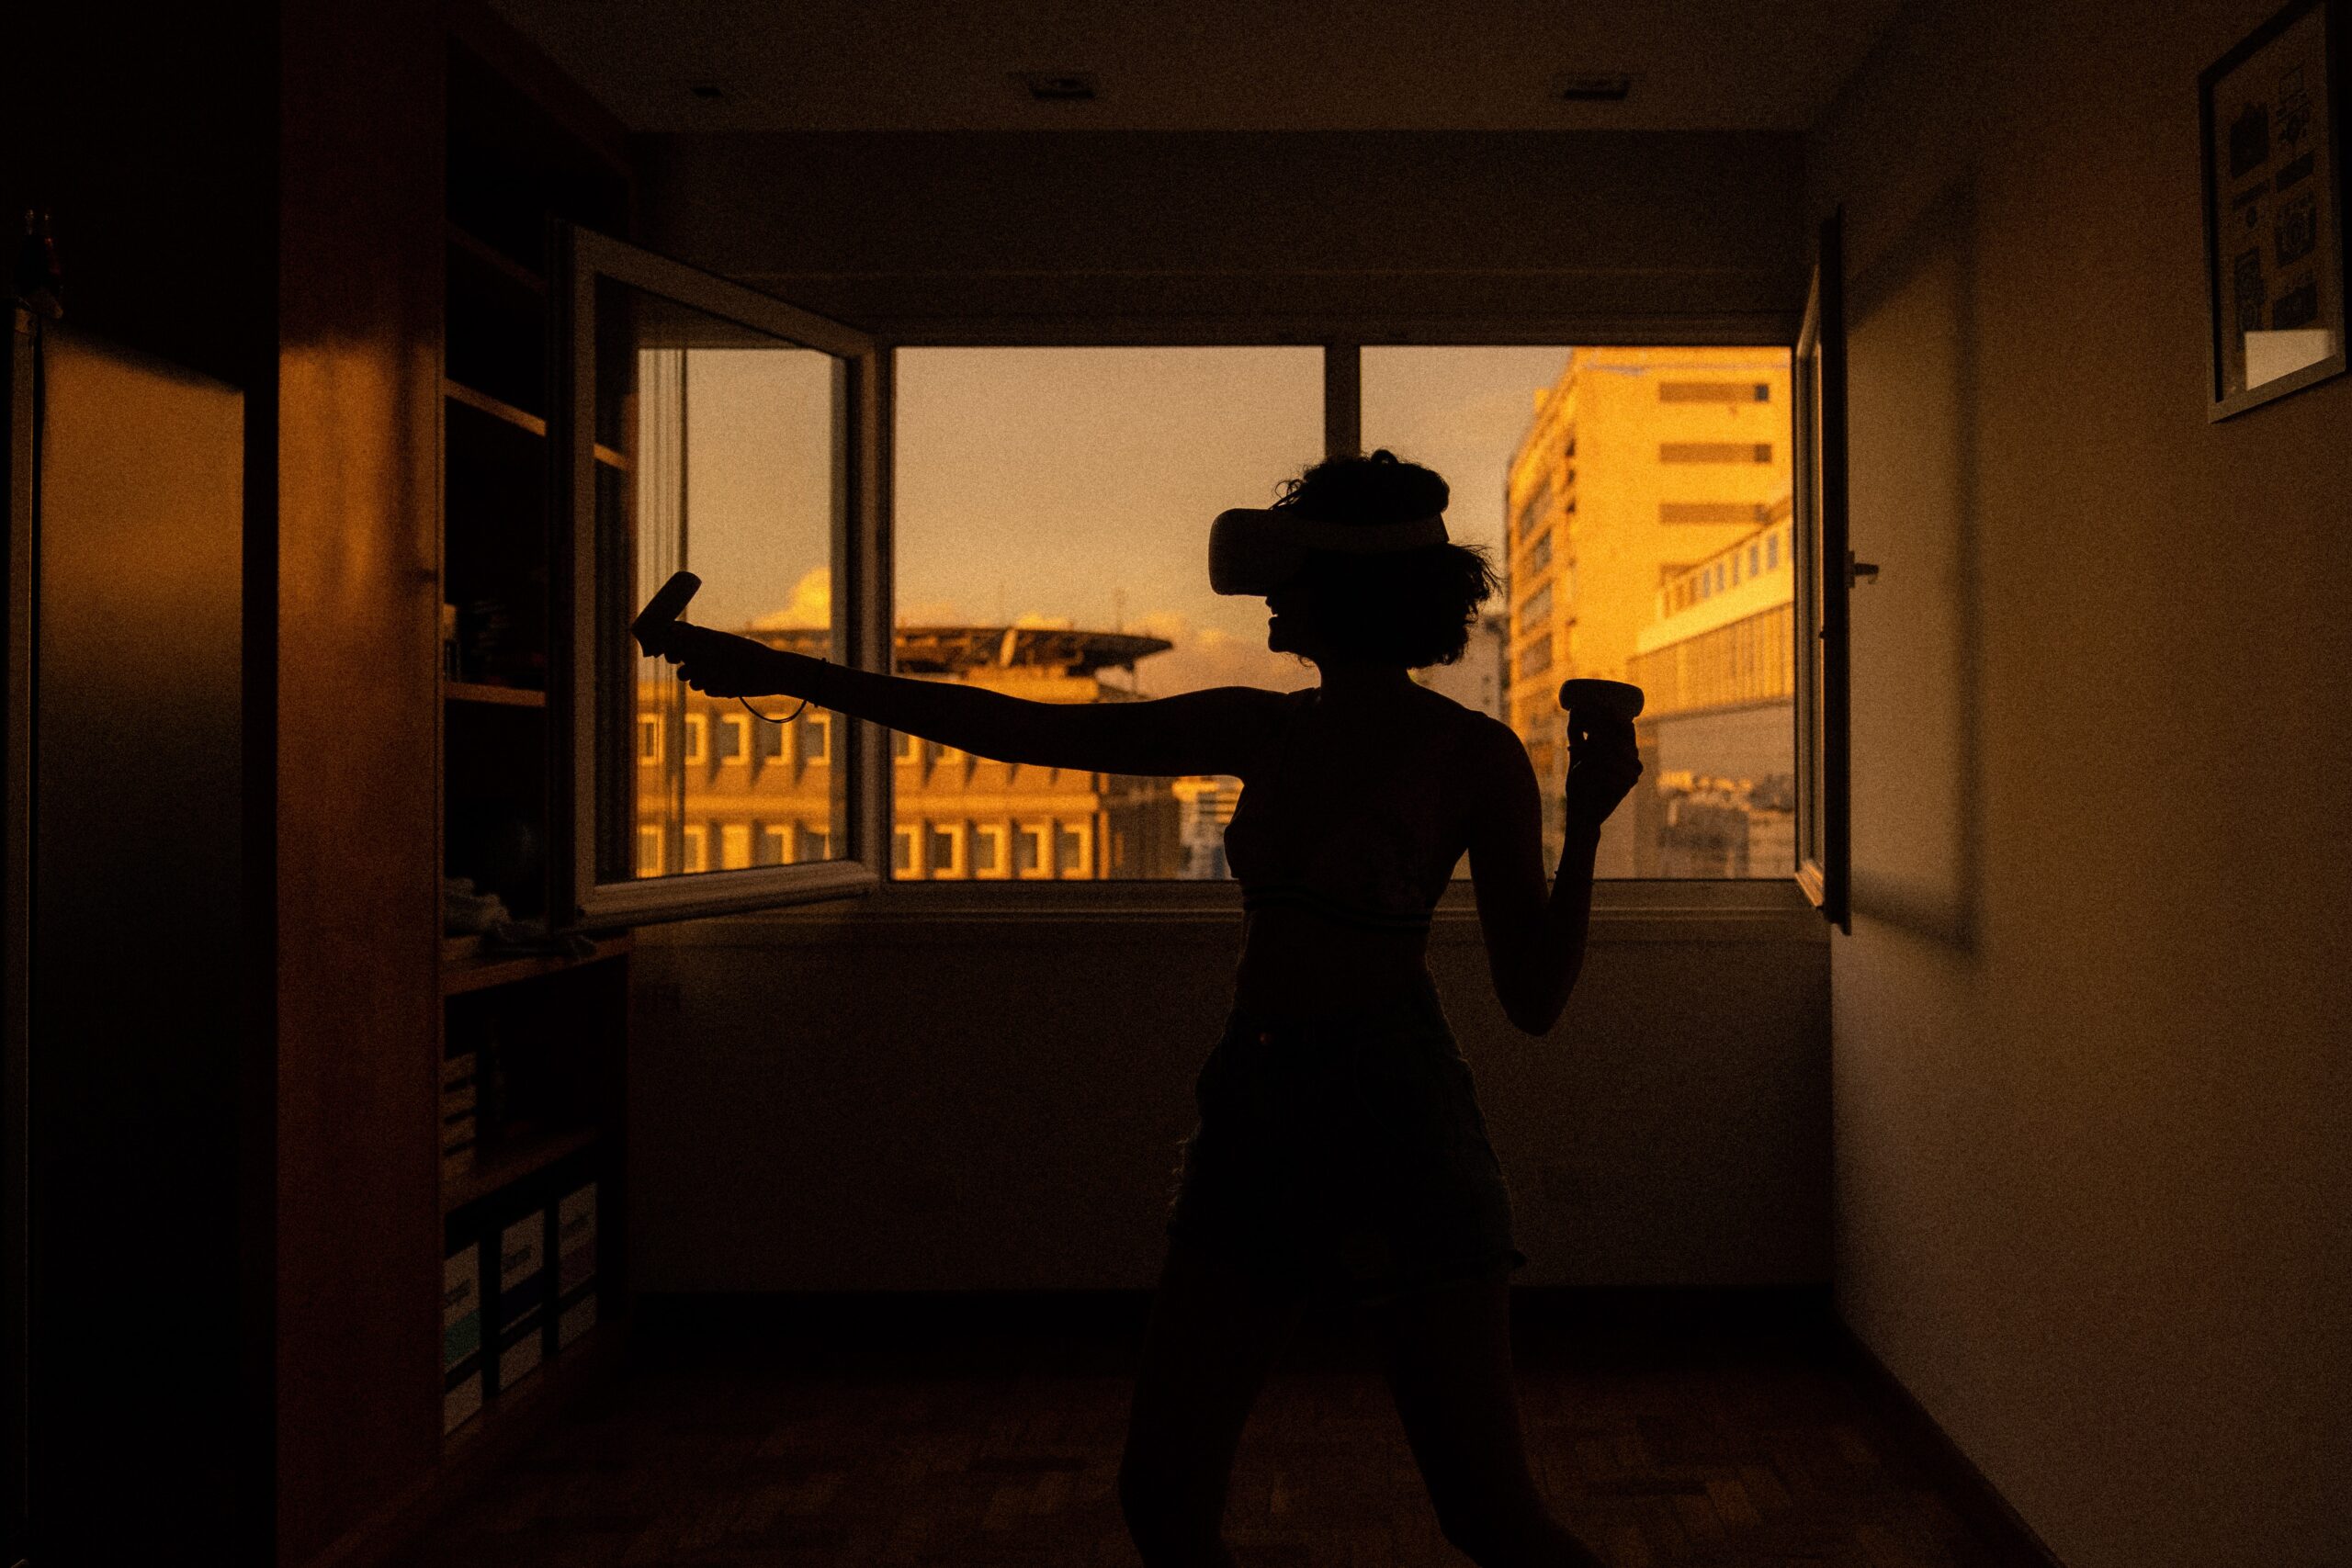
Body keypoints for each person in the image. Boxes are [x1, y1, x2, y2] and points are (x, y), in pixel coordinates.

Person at [660, 449, 1643, 1567]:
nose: (1268, 594)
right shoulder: (1277, 730)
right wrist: (789, 675)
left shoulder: (1465, 755)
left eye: (1289, 571)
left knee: (1485, 1514)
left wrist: (1593, 825)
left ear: (1347, 588)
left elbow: (1532, 998)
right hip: (1264, 1109)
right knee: (1164, 1497)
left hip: (1396, 1126)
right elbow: (1018, 730)